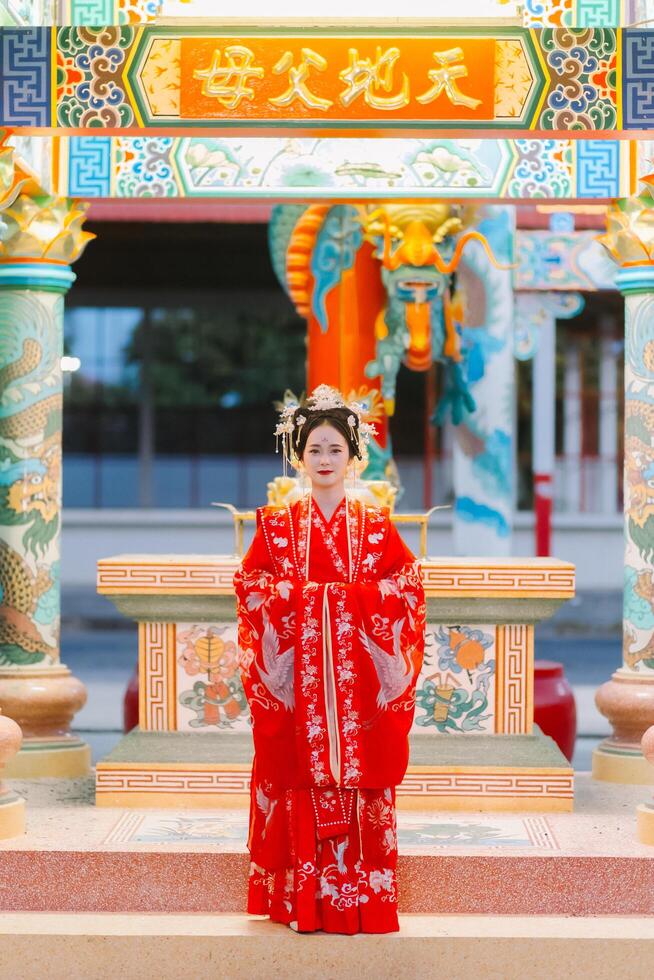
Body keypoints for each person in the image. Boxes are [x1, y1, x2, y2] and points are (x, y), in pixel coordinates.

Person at [234, 385, 425, 934]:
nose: (324, 460)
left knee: (361, 778)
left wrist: (335, 601)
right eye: (314, 449)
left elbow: (407, 587)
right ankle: (299, 901)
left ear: (353, 454)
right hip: (300, 694)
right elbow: (251, 585)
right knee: (293, 773)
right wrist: (303, 601)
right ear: (298, 454)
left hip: (357, 695)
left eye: (334, 450)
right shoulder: (274, 526)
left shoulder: (374, 527)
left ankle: (361, 901)